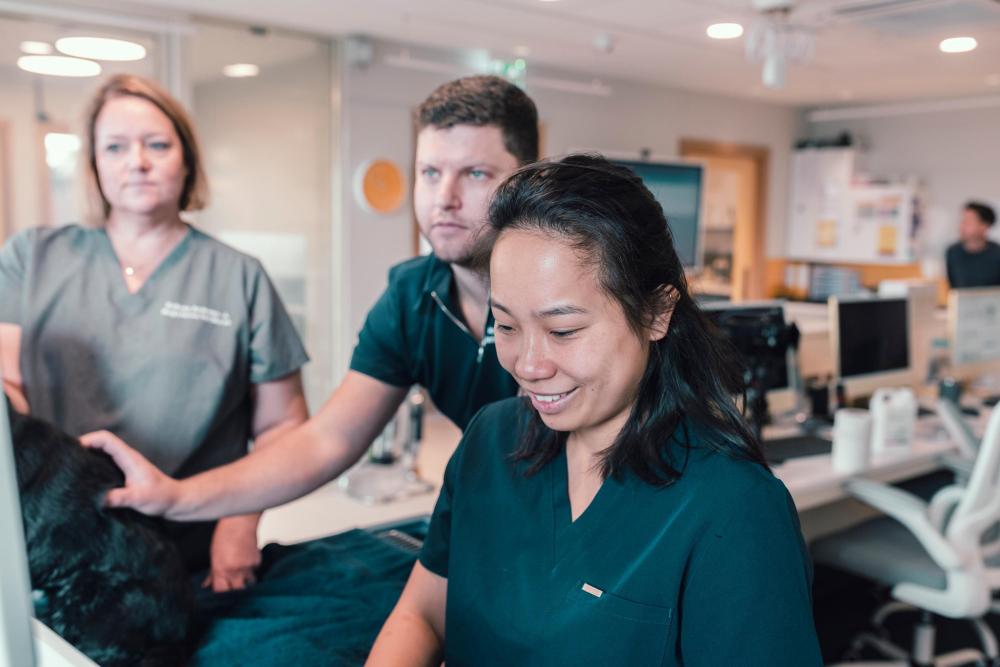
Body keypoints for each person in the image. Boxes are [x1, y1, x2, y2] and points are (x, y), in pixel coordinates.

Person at [366, 155, 823, 666]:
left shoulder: (734, 510)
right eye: (507, 326)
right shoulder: (489, 443)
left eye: (563, 331)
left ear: (656, 312)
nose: (530, 365)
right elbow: (422, 617)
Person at [78, 75, 537, 521]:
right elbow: (329, 440)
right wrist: (177, 497)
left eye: (476, 173)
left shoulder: (568, 292)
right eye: (430, 172)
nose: (444, 198)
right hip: (501, 519)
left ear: (525, 180)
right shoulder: (412, 296)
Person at [0, 74, 309, 591]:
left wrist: (238, 524)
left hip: (189, 545)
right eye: (115, 147)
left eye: (157, 145)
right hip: (56, 536)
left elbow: (283, 426)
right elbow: (8, 388)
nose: (136, 162)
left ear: (186, 158)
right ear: (94, 165)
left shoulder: (238, 275)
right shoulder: (31, 257)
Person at [946, 201, 1000, 288]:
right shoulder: (953, 252)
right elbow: (952, 286)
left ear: (984, 226)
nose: (962, 226)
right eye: (962, 221)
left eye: (968, 222)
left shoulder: (997, 253)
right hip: (962, 301)